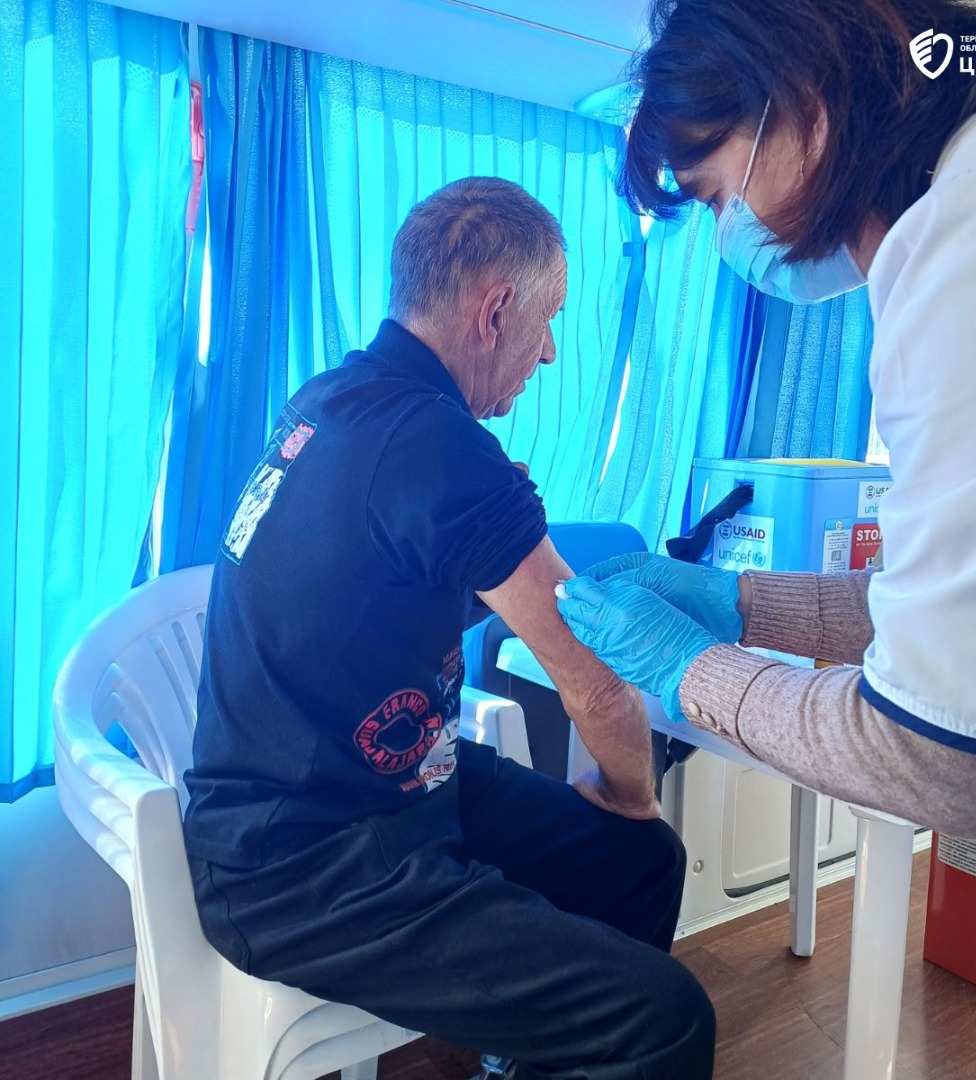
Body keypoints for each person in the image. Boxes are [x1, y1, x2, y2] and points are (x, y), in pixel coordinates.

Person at [182, 177, 715, 1080]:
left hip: (370, 784)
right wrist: (631, 793)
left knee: (644, 866)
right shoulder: (437, 444)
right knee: (666, 1016)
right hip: (302, 861)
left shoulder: (333, 396)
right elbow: (594, 684)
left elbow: (375, 587)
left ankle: (532, 1053)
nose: (550, 353)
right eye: (549, 321)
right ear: (495, 312)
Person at [558, 0, 976, 837]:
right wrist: (745, 602)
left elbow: (949, 759)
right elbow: (958, 614)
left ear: (800, 97)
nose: (728, 232)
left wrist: (691, 667)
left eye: (716, 195)